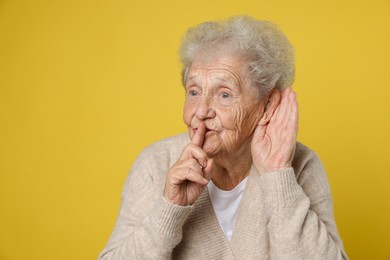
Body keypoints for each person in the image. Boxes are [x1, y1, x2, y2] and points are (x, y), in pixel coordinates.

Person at [99, 16, 348, 259]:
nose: (201, 111)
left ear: (268, 104)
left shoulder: (300, 164)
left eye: (224, 95)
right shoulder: (156, 162)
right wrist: (170, 208)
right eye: (194, 92)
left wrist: (277, 175)